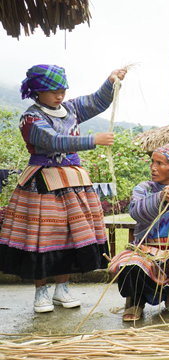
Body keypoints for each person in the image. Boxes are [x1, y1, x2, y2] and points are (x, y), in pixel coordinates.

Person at [0, 65, 126, 313]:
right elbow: (52, 141)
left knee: (70, 235)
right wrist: (92, 140)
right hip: (42, 184)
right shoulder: (31, 117)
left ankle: (62, 288)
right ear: (37, 91)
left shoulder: (70, 109)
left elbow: (96, 102)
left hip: (72, 184)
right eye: (53, 91)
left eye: (63, 90)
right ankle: (41, 292)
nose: (60, 96)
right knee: (43, 237)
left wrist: (110, 81)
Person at [108, 144, 169, 321]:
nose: (153, 167)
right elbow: (135, 212)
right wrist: (160, 197)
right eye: (152, 162)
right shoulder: (143, 188)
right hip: (146, 247)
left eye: (160, 163)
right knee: (131, 263)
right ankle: (136, 302)